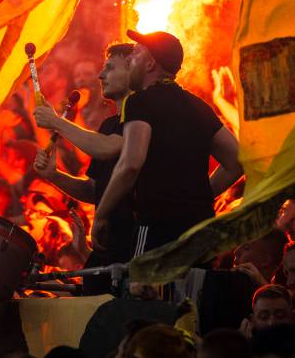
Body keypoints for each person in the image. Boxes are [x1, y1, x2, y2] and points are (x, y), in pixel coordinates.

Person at [93, 30, 242, 256]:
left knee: (145, 289)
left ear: (150, 63)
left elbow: (131, 163)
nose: (131, 59)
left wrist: (101, 214)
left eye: (136, 53)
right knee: (191, 291)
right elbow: (236, 160)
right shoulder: (197, 106)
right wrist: (199, 197)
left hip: (157, 227)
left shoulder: (139, 102)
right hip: (200, 227)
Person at [33, 43, 136, 268]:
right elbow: (93, 190)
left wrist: (56, 122)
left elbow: (108, 147)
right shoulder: (109, 124)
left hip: (138, 247)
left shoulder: (143, 118)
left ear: (133, 69)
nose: (101, 75)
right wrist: (54, 175)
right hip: (110, 247)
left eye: (110, 68)